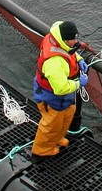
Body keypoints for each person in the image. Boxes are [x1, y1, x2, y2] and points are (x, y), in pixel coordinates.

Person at [30, 20, 88, 159]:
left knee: (68, 115)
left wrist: (79, 60)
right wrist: (79, 83)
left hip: (65, 98)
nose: (75, 41)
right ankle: (42, 149)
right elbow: (60, 88)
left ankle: (57, 138)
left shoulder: (59, 41)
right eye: (72, 39)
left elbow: (70, 53)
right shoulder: (54, 62)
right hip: (50, 97)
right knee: (52, 124)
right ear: (65, 40)